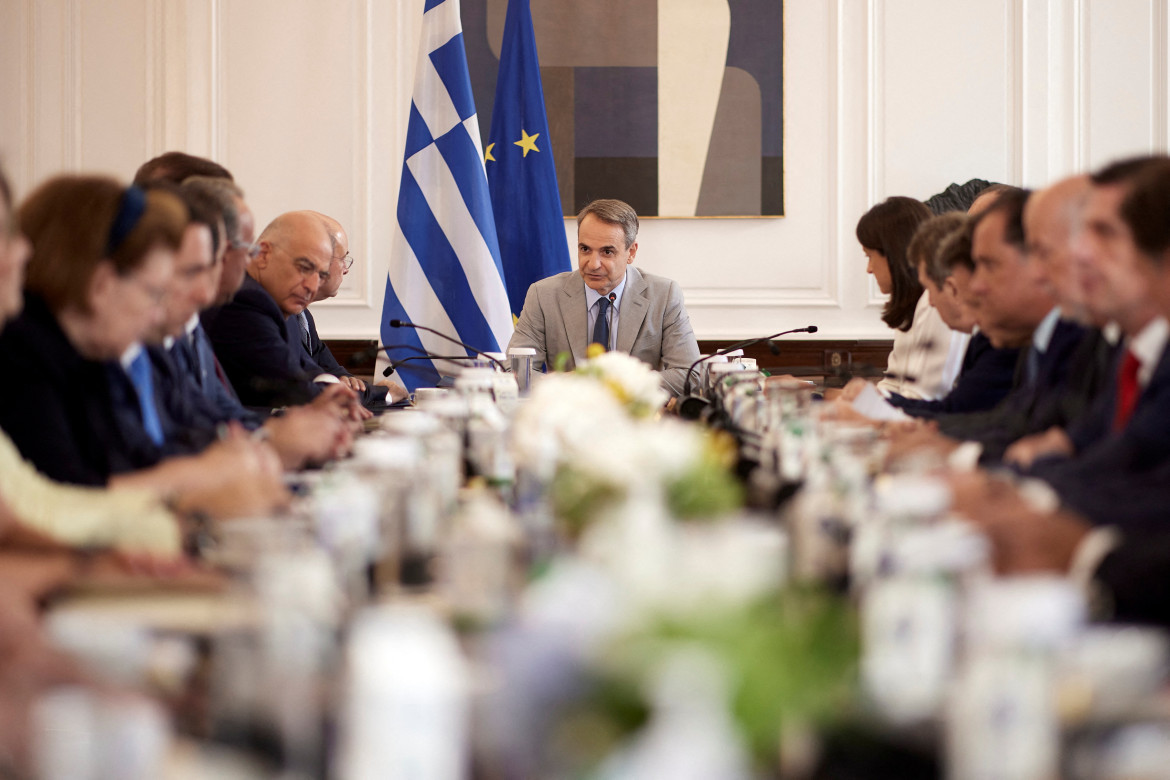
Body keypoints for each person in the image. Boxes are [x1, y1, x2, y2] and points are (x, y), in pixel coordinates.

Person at [508, 198, 700, 397]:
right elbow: (514, 371)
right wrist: (572, 384)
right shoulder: (544, 295)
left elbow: (690, 374)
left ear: (631, 252)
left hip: (635, 419)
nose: (593, 264)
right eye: (585, 249)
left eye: (607, 252)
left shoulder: (663, 295)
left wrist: (617, 384)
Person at [201, 211, 368, 414]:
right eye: (304, 268)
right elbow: (295, 389)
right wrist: (341, 398)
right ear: (263, 254)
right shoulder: (244, 300)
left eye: (322, 275)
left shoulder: (283, 306)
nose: (312, 286)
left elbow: (309, 370)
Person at [883, 214, 1020, 416]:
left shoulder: (1004, 339)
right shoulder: (986, 338)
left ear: (952, 287)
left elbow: (957, 414)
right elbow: (956, 411)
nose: (929, 302)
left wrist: (877, 408)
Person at [293, 212, 406, 406]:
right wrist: (383, 394)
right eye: (343, 259)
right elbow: (307, 389)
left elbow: (333, 371)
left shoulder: (303, 316)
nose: (346, 269)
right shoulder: (273, 311)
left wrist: (352, 383)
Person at [855, 196, 961, 400]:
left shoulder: (935, 304)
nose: (869, 269)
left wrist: (857, 402)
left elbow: (923, 396)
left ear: (893, 253)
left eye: (869, 256)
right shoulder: (910, 304)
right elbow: (894, 384)